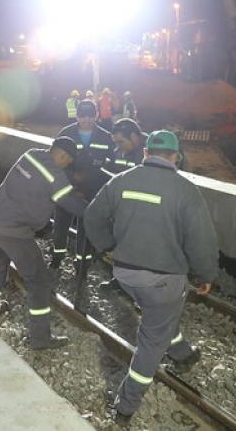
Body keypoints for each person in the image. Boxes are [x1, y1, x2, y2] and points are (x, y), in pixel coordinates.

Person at [84, 130, 218, 426]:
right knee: (152, 340)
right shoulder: (186, 190)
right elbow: (202, 242)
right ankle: (126, 405)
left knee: (160, 317)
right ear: (175, 157)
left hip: (126, 274)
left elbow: (92, 217)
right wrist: (205, 274)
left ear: (145, 152)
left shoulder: (121, 181)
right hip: (164, 281)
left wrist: (108, 246)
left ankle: (183, 354)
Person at [0, 137, 87, 350]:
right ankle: (40, 338)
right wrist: (98, 211)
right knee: (38, 281)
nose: (66, 166)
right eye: (68, 162)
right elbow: (71, 205)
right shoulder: (55, 175)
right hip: (14, 232)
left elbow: (36, 184)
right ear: (63, 156)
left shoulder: (31, 154)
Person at [51, 100, 114, 271]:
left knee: (86, 227)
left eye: (90, 116)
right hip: (67, 188)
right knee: (60, 225)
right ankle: (57, 257)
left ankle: (82, 263)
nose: (86, 120)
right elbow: (55, 160)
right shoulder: (66, 133)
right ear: (77, 116)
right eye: (82, 116)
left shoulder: (106, 136)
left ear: (96, 116)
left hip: (93, 189)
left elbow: (112, 162)